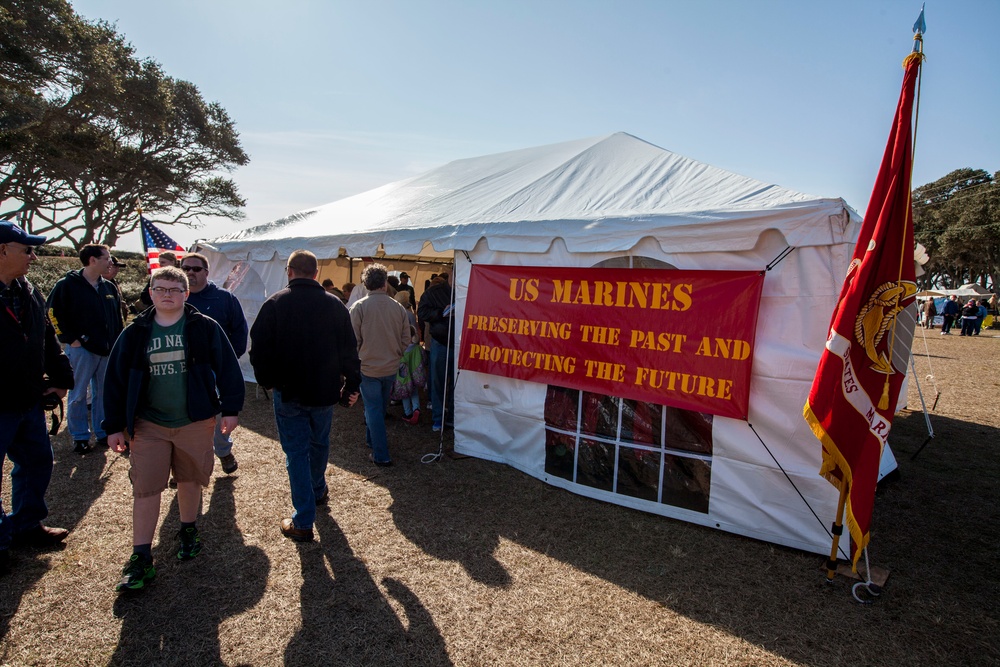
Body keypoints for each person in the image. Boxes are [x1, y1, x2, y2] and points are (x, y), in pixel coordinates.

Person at [103, 266, 245, 592]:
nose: (167, 294)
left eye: (174, 289)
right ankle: (141, 557)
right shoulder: (136, 332)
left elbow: (227, 368)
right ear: (151, 293)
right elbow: (114, 381)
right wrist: (112, 426)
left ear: (186, 294)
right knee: (147, 488)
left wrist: (231, 409)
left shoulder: (203, 328)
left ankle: (188, 529)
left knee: (190, 478)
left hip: (194, 421)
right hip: (148, 424)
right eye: (160, 288)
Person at [250, 250, 361, 542]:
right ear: (314, 273)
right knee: (318, 443)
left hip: (289, 391)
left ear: (289, 271)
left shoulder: (275, 303)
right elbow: (350, 351)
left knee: (298, 452)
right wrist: (352, 385)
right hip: (323, 391)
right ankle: (316, 490)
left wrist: (267, 381)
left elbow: (258, 350)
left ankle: (303, 518)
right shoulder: (335, 305)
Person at [0, 221, 74, 576]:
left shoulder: (27, 289)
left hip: (26, 400)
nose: (33, 255)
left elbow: (45, 337)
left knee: (35, 463)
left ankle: (27, 525)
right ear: (2, 250)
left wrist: (61, 377)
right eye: (25, 249)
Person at [47, 244, 124, 454]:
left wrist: (118, 343)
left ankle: (102, 432)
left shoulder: (109, 287)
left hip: (106, 351)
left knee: (102, 394)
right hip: (82, 350)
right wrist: (70, 339)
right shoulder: (67, 285)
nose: (110, 262)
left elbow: (118, 318)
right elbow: (52, 312)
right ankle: (80, 436)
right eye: (106, 258)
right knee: (79, 394)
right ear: (92, 260)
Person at [181, 252, 248, 474]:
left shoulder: (224, 298)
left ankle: (223, 451)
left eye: (196, 269)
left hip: (215, 368)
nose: (190, 272)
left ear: (206, 273)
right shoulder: (177, 297)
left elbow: (239, 329)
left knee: (220, 415)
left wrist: (230, 358)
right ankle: (184, 463)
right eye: (186, 268)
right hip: (184, 369)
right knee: (185, 417)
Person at [350, 264, 411, 466]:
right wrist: (396, 355)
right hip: (389, 368)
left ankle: (381, 454)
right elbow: (406, 339)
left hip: (368, 368)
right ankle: (372, 440)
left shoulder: (359, 307)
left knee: (374, 409)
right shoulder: (398, 308)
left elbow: (353, 341)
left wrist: (360, 358)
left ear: (366, 284)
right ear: (385, 284)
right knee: (377, 408)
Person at [418, 271, 455, 431]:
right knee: (438, 382)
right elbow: (422, 312)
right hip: (441, 343)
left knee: (457, 385)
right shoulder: (434, 292)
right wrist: (441, 313)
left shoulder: (469, 289)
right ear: (450, 274)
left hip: (461, 344)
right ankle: (438, 418)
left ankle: (453, 417)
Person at [103, 255, 130, 327]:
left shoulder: (114, 284)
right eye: (115, 267)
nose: (117, 270)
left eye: (118, 267)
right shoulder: (94, 284)